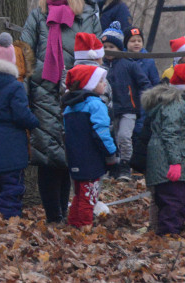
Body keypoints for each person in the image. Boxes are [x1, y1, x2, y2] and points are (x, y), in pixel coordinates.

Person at [21, 0, 101, 223]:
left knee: (69, 158)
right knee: (47, 160)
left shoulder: (87, 17)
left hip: (75, 97)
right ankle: (53, 217)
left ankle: (65, 213)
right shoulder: (37, 16)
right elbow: (24, 55)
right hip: (42, 95)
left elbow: (96, 58)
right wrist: (28, 89)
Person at [0, 33, 39, 218]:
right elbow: (21, 115)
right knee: (11, 186)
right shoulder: (15, 86)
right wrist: (34, 122)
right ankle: (8, 223)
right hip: (10, 144)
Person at [62, 64, 117, 228]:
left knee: (80, 194)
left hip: (74, 156)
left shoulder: (69, 107)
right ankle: (85, 227)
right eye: (101, 81)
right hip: (91, 158)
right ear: (90, 84)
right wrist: (111, 152)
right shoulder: (96, 104)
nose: (105, 84)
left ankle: (73, 224)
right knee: (90, 196)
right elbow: (102, 132)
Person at [100, 21, 151, 181]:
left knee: (124, 136)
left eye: (112, 46)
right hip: (109, 110)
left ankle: (125, 166)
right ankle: (114, 167)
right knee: (112, 138)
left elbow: (145, 83)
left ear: (119, 48)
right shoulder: (101, 66)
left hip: (129, 108)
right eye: (105, 46)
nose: (108, 50)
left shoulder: (129, 64)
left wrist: (147, 100)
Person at [141, 64, 185, 235]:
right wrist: (175, 163)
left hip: (169, 160)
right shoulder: (176, 104)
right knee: (173, 203)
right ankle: (167, 239)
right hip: (168, 163)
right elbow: (170, 134)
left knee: (174, 202)